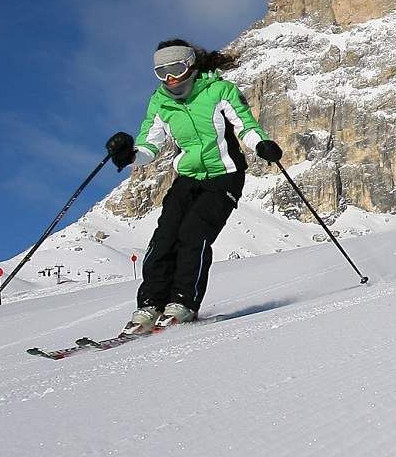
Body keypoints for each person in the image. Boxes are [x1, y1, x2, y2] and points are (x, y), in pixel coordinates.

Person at [105, 40, 281, 333]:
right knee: (164, 238)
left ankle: (183, 303)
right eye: (161, 72)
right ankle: (150, 305)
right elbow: (150, 143)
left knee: (194, 234)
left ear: (190, 65)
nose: (170, 78)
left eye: (175, 68)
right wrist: (130, 155)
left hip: (224, 175)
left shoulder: (218, 90)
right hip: (188, 177)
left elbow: (245, 124)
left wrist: (261, 144)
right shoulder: (160, 102)